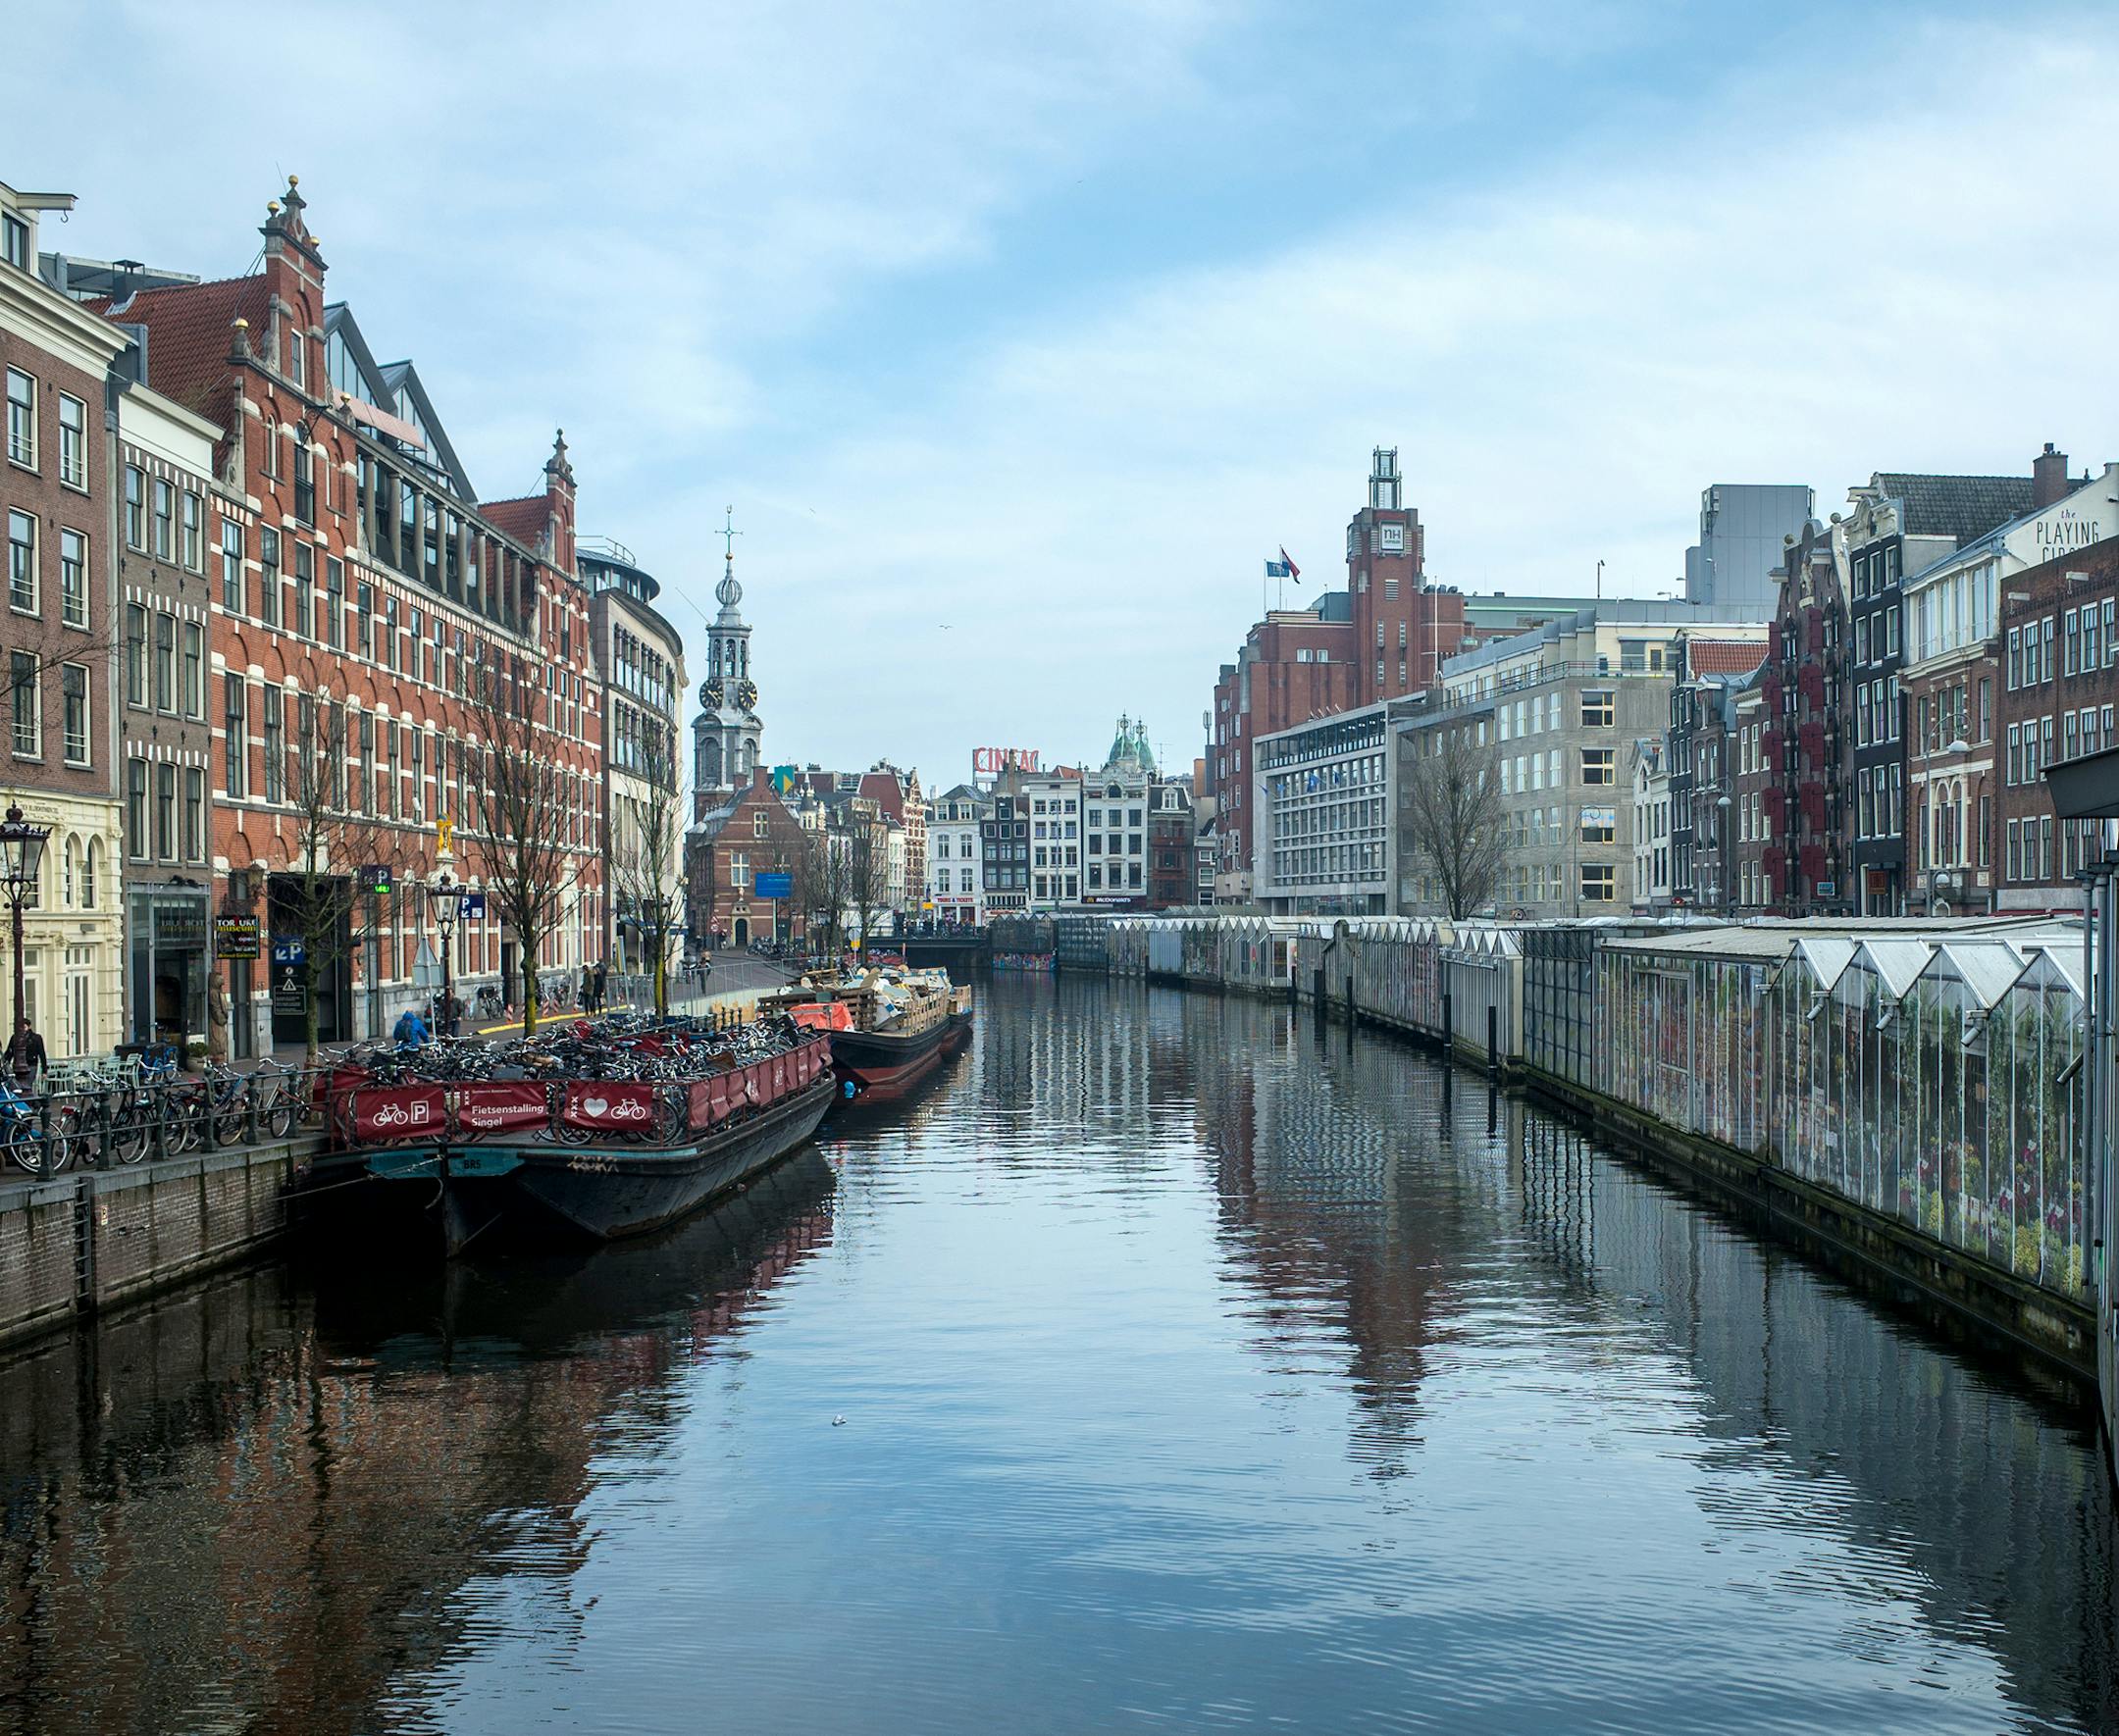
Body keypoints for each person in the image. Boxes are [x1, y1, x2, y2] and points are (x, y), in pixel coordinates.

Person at [5, 1018, 46, 1087]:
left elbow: (42, 1054)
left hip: (31, 1065)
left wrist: (44, 1071)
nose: (22, 1030)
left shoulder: (36, 1038)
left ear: (29, 1027)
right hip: (17, 1066)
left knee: (27, 1085)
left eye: (24, 1027)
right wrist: (6, 1063)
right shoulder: (14, 1037)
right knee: (17, 1085)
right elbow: (9, 1052)